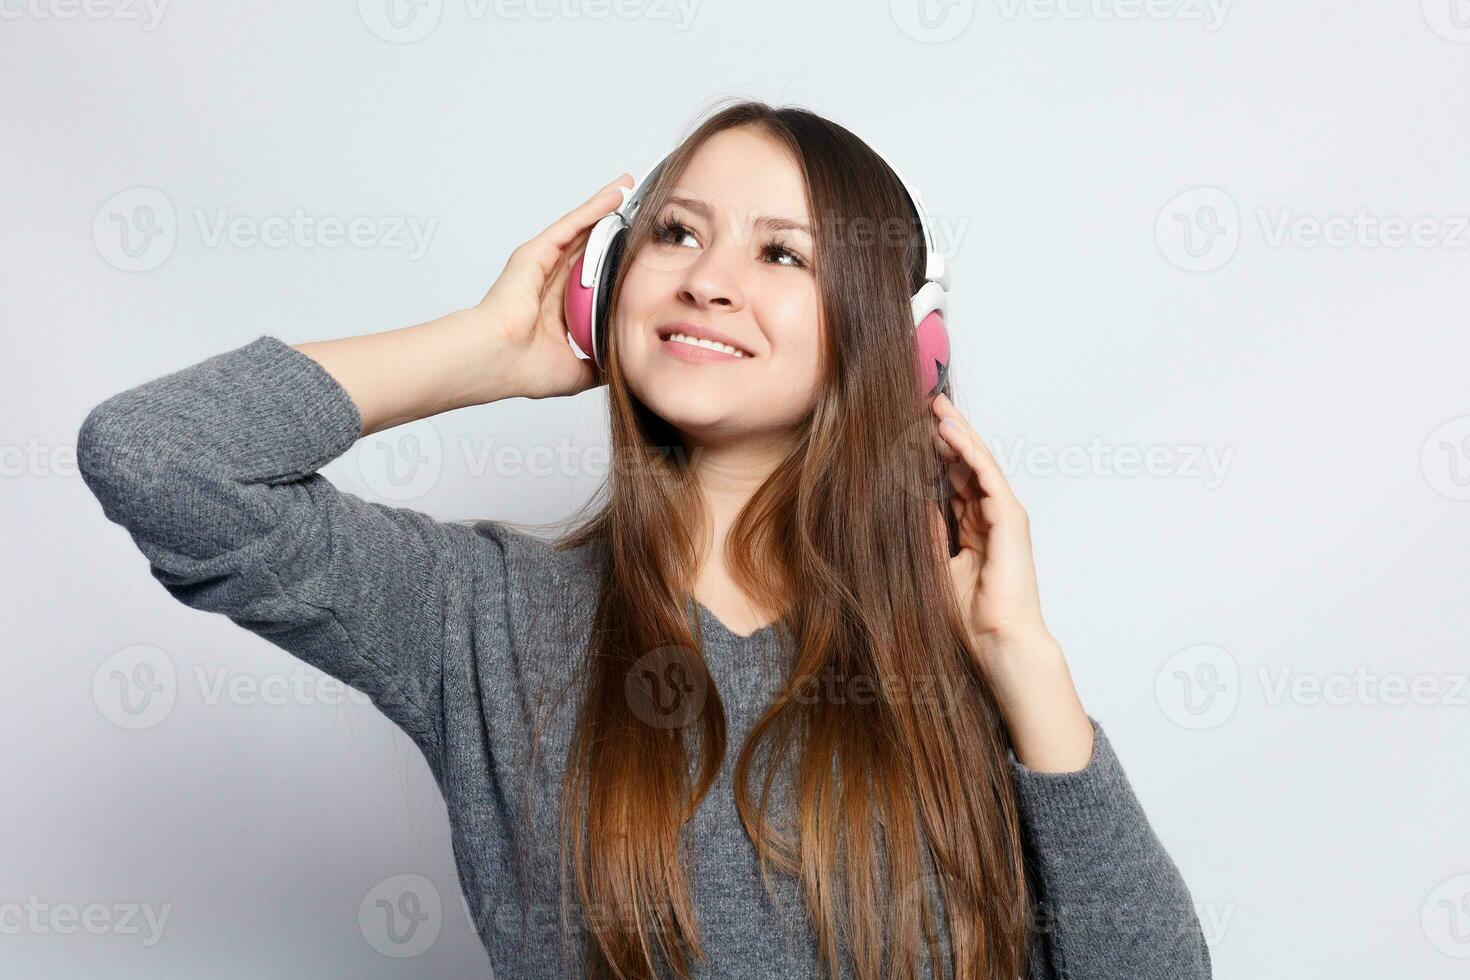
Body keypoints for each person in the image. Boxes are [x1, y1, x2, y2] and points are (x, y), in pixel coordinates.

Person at [76, 99, 1212, 979]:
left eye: (780, 254)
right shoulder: (485, 615)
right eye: (674, 234)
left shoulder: (962, 657)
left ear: (900, 342)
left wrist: (1025, 661)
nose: (708, 280)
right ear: (608, 288)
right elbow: (157, 457)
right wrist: (483, 351)